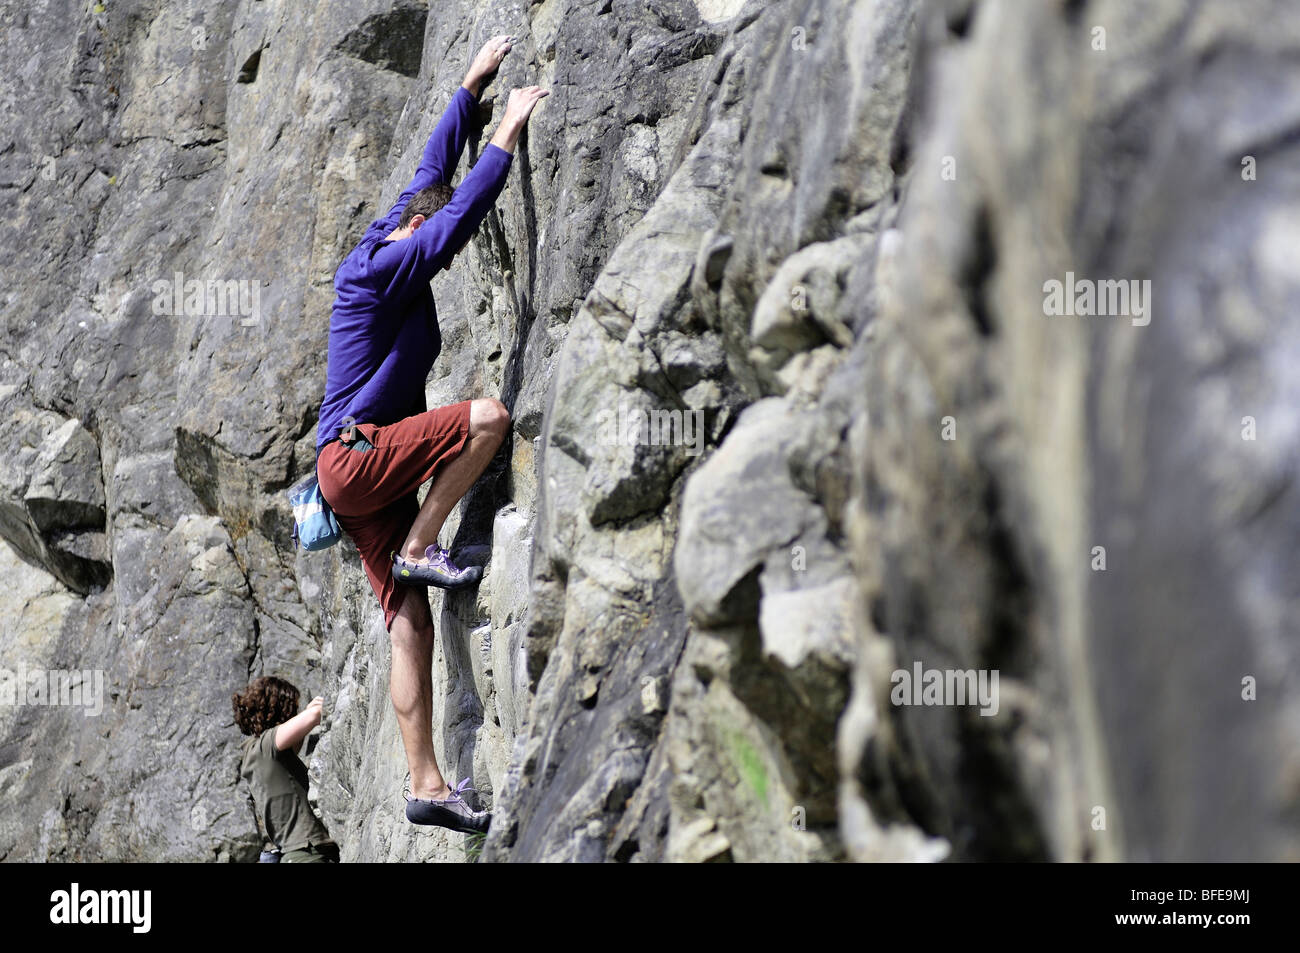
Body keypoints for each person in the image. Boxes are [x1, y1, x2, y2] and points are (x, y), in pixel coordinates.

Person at [313, 34, 548, 834]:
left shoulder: (390, 236)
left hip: (359, 478)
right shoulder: (388, 264)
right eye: (422, 241)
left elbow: (428, 177)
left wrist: (471, 90)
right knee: (488, 419)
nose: (428, 250)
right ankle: (422, 538)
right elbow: (447, 224)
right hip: (357, 460)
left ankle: (426, 784)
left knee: (407, 618)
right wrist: (509, 134)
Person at [232, 676, 338, 863]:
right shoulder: (267, 744)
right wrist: (316, 707)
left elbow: (292, 745)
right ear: (282, 710)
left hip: (297, 853)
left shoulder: (253, 752)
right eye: (292, 709)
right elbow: (315, 715)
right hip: (307, 853)